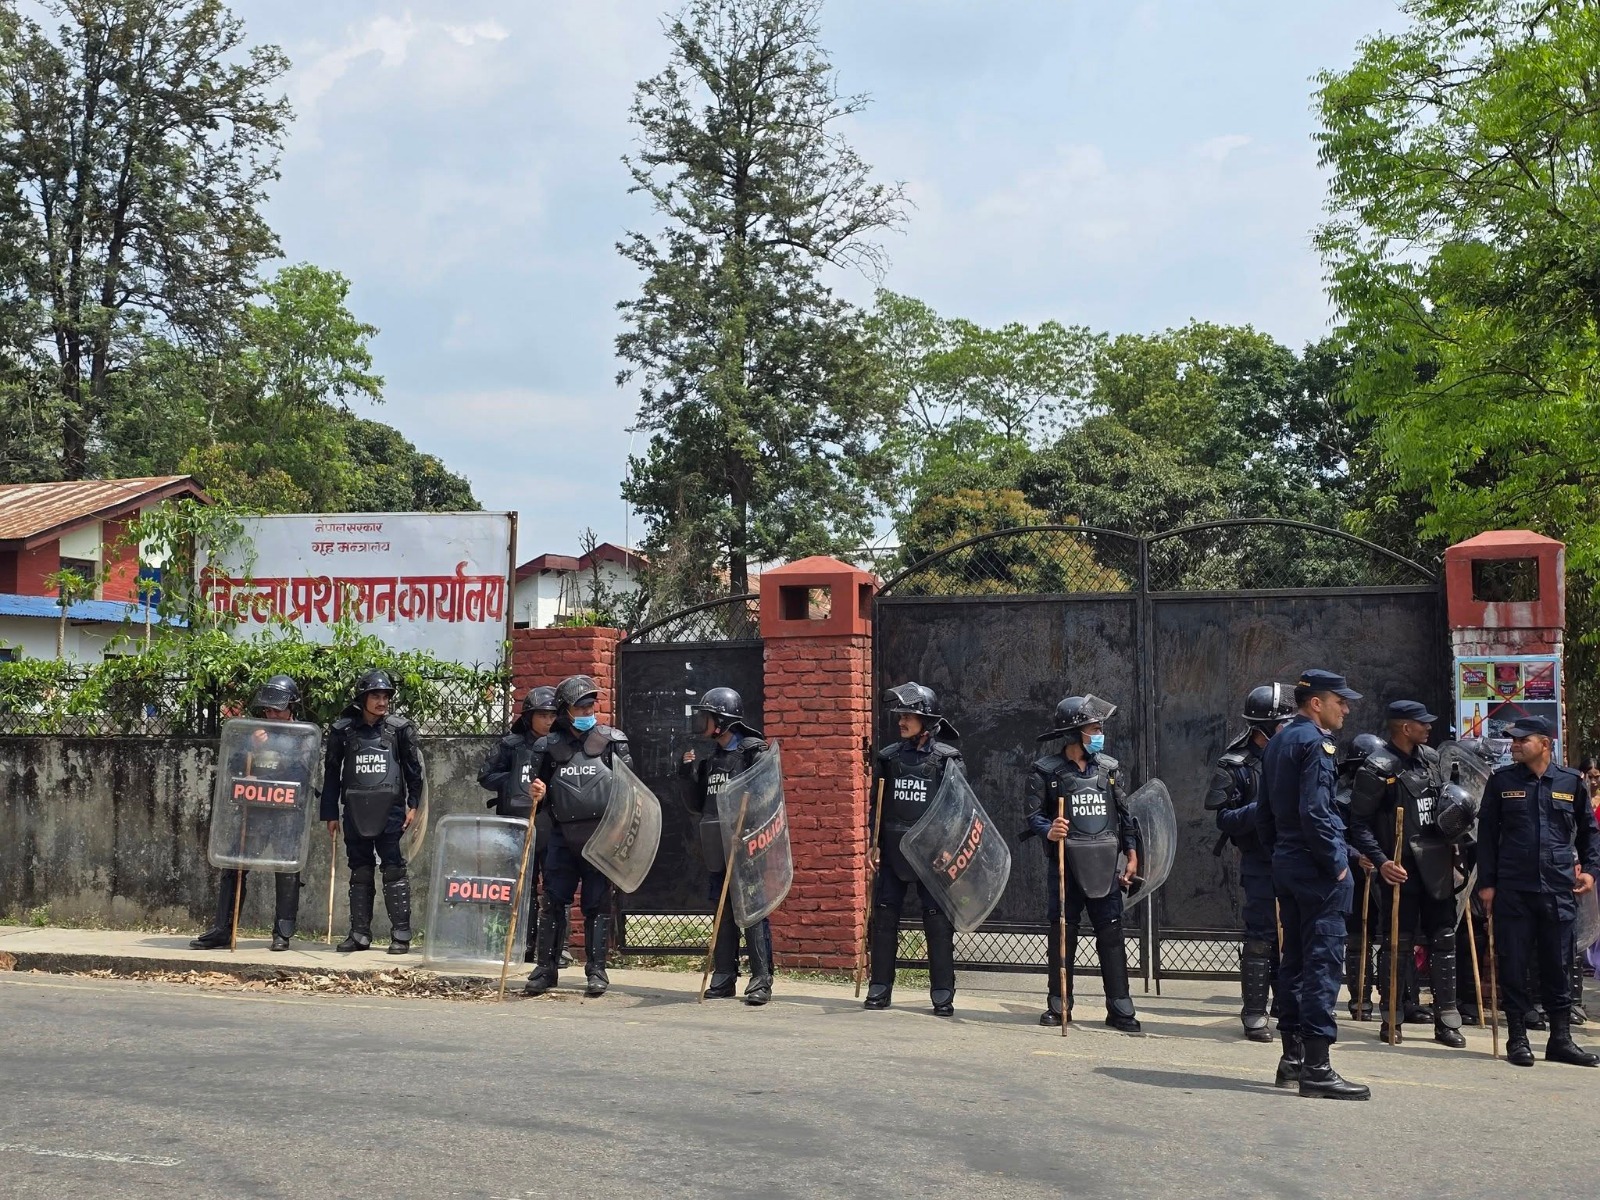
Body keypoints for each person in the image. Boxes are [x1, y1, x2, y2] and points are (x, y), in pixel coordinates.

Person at [1257, 669, 1369, 1100]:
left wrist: (1279, 855)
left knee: (1295, 963)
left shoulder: (1280, 740)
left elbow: (1263, 813)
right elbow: (1315, 811)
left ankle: (1293, 1059)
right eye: (1340, 700)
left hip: (1288, 863)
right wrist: (1336, 863)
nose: (1347, 708)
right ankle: (1318, 1068)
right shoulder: (1315, 743)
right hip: (1317, 868)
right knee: (1321, 964)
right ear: (1316, 703)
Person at [1477, 715, 1600, 1067]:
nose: (1514, 745)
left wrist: (1591, 871)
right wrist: (1486, 883)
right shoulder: (1501, 782)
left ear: (1544, 744)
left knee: (1558, 965)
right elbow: (1486, 837)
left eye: (1521, 739)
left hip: (1558, 888)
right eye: (1512, 740)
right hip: (1513, 889)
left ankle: (1561, 1039)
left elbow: (1590, 833)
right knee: (1513, 964)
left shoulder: (1570, 782)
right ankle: (1518, 1038)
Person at [1347, 700, 1468, 1048]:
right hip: (1400, 870)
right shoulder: (1377, 767)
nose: (1428, 727)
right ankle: (1392, 1017)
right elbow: (1359, 824)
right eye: (1422, 723)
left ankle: (1447, 1020)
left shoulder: (1431, 760)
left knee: (1444, 940)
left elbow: (1448, 804)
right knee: (1396, 945)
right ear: (1404, 727)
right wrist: (1381, 860)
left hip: (1437, 865)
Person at [1028, 694, 1142, 1034]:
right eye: (1094, 728)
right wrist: (1050, 830)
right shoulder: (1046, 772)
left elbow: (1125, 817)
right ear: (1076, 732)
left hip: (1105, 864)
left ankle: (1120, 1007)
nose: (1099, 734)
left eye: (1099, 728)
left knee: (1111, 933)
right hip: (1066, 865)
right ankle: (1059, 1003)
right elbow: (1033, 816)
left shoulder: (1109, 769)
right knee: (1063, 931)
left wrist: (1132, 854)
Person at [523, 675, 633, 998]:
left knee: (597, 905)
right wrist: (536, 791)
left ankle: (597, 969)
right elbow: (535, 790)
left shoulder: (612, 741)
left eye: (590, 703)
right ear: (564, 710)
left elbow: (631, 788)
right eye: (579, 705)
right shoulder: (547, 746)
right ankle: (546, 967)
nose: (587, 709)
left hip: (600, 837)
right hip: (561, 836)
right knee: (553, 901)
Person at [190, 675, 308, 952]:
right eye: (267, 710)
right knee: (235, 866)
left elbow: (305, 772)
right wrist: (252, 750)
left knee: (287, 870)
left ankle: (283, 932)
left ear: (292, 706)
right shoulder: (254, 734)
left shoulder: (303, 736)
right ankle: (223, 929)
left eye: (277, 709)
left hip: (286, 814)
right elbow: (234, 766)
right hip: (254, 813)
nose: (271, 714)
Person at [1206, 683, 1297, 1041]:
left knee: (1290, 936)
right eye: (1284, 723)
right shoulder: (1236, 764)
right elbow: (1224, 818)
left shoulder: (1294, 757)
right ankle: (1255, 1012)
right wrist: (1262, 809)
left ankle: (1285, 1005)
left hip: (1293, 857)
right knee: (1261, 936)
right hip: (1259, 860)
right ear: (1265, 727)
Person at [865, 682, 962, 1016]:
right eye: (901, 715)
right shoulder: (889, 758)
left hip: (932, 854)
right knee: (884, 917)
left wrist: (949, 848)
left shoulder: (947, 759)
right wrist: (873, 845)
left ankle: (942, 993)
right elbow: (875, 806)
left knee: (937, 922)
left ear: (927, 721)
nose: (901, 721)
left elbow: (958, 810)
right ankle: (879, 986)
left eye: (909, 715)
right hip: (892, 851)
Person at [679, 687, 774, 1005]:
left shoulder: (752, 751)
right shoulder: (711, 761)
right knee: (723, 910)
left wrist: (747, 829)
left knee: (752, 910)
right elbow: (697, 805)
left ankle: (761, 979)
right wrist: (686, 775)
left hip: (747, 847)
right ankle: (724, 976)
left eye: (707, 717)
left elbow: (765, 795)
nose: (701, 723)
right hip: (718, 847)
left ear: (722, 721)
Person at [320, 668, 425, 955]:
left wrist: (413, 804)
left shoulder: (400, 730)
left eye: (386, 696)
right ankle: (359, 934)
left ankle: (401, 936)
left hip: (391, 810)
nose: (382, 701)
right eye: (376, 696)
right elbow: (331, 773)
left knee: (393, 869)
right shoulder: (343, 731)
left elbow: (413, 770)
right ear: (363, 698)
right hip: (354, 810)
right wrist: (330, 812)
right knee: (360, 871)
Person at [477, 686, 563, 966]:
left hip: (550, 825)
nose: (549, 721)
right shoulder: (511, 745)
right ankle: (522, 945)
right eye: (542, 715)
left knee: (553, 888)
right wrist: (514, 780)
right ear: (529, 717)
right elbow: (485, 776)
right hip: (514, 825)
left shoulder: (560, 745)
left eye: (552, 715)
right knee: (522, 886)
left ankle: (553, 949)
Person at [1335, 733, 1383, 1020]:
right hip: (1356, 875)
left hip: (1387, 871)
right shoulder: (1343, 800)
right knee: (1358, 938)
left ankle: (1402, 1000)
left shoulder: (1387, 795)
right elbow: (1337, 837)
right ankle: (1360, 999)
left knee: (1396, 938)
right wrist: (1357, 856)